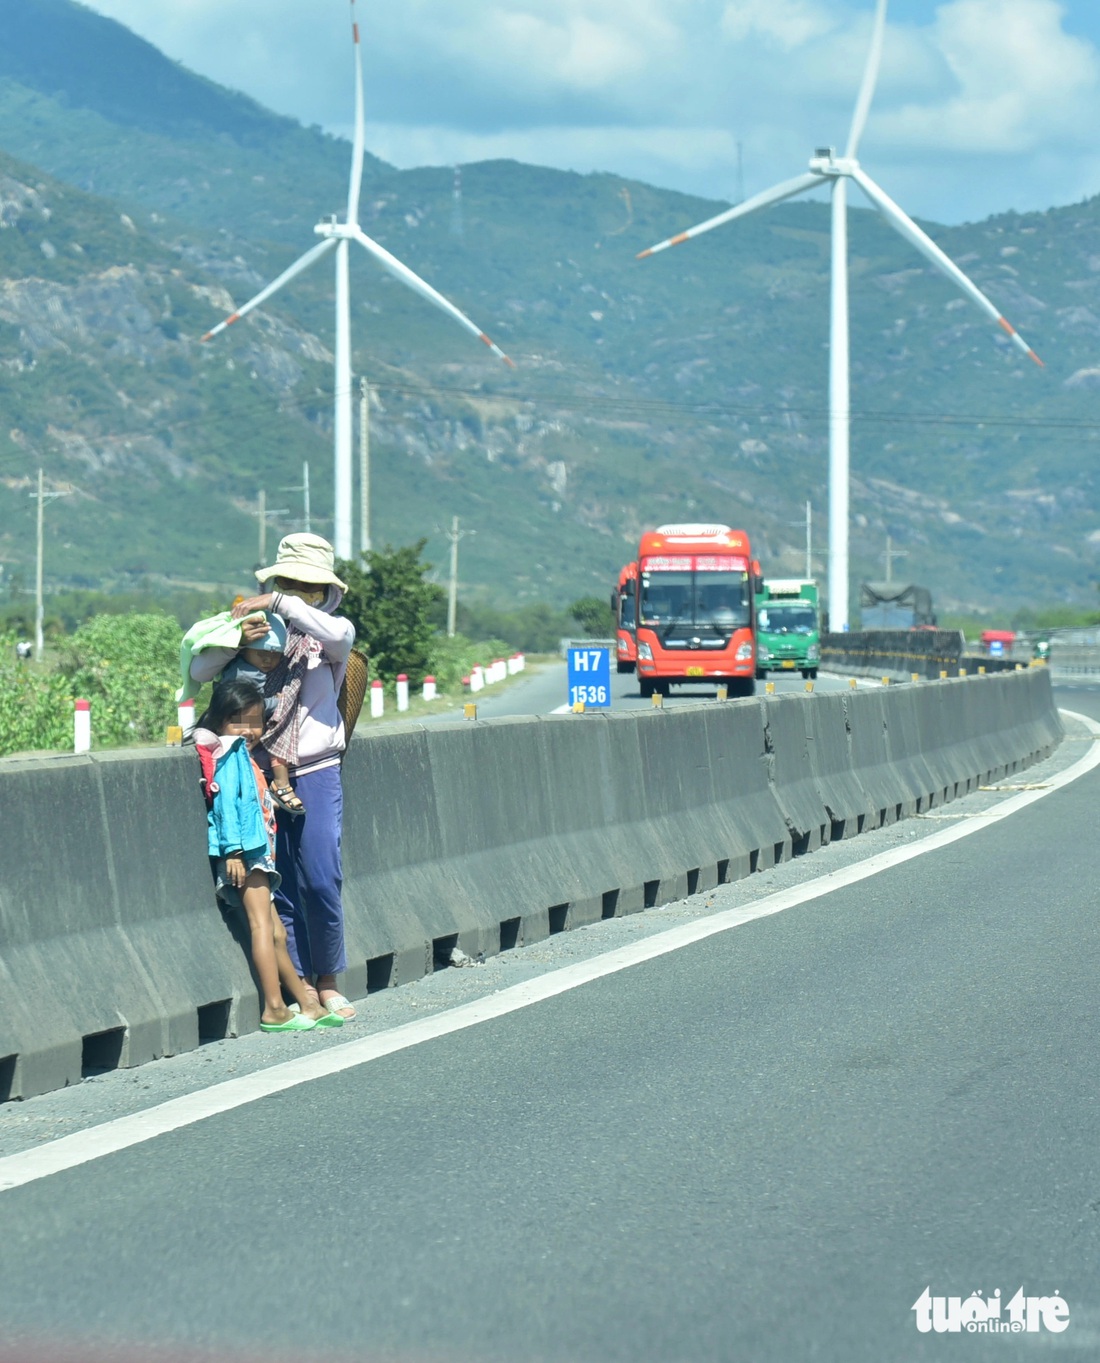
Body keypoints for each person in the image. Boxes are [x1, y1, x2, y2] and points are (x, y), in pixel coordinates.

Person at [190, 533, 357, 1020]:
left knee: (322, 876)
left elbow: (341, 638)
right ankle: (300, 980)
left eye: (310, 587)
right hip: (260, 771)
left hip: (318, 768)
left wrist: (283, 603)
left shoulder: (330, 634)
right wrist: (239, 635)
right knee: (278, 882)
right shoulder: (257, 630)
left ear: (327, 592)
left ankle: (327, 979)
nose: (301, 594)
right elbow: (201, 670)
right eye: (290, 583)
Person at [194, 678, 342, 1034]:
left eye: (255, 722)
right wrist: (233, 851)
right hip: (246, 853)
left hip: (259, 852)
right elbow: (226, 804)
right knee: (263, 927)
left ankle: (305, 1002)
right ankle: (274, 1007)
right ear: (219, 721)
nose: (249, 730)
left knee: (276, 931)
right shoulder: (229, 755)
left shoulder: (242, 753)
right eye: (238, 721)